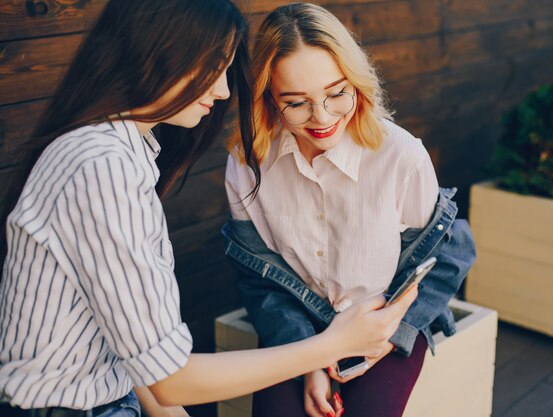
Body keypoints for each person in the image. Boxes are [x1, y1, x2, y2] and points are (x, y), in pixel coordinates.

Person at [0, 1, 418, 416]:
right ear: (162, 53)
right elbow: (169, 377)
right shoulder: (100, 167)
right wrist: (333, 345)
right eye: (214, 68)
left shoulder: (123, 154)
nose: (222, 91)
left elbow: (137, 359)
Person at [224, 3, 476, 417]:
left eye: (337, 93)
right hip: (295, 323)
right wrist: (308, 358)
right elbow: (259, 279)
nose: (321, 117)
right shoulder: (247, 163)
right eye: (296, 103)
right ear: (269, 98)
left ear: (357, 82)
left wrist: (387, 336)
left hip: (386, 323)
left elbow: (441, 258)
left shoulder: (401, 155)